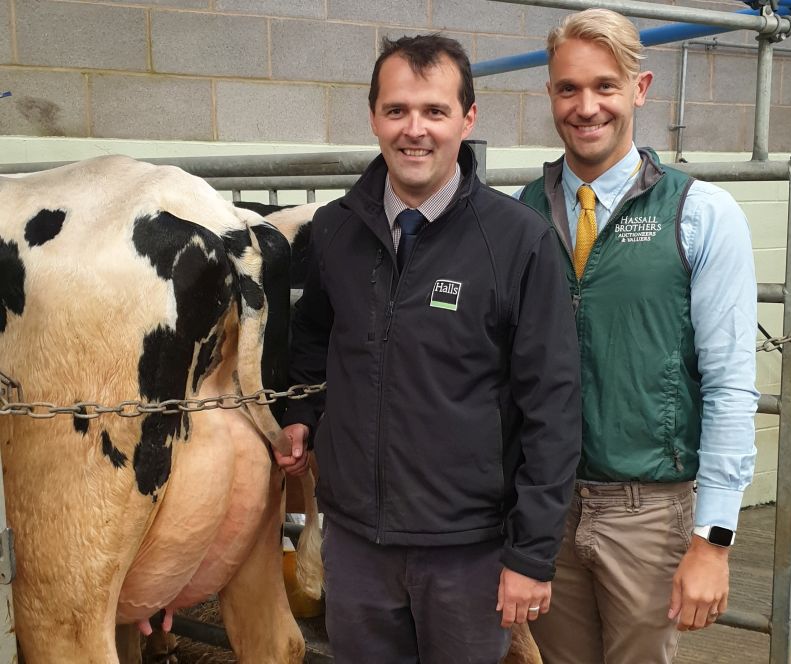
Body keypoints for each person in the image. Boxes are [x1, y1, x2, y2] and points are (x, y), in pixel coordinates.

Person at [275, 33, 581, 664]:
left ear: (467, 119)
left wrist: (530, 556)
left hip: (468, 552)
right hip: (357, 546)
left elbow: (552, 406)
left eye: (435, 111)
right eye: (397, 110)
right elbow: (312, 333)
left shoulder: (519, 242)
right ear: (373, 117)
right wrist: (301, 414)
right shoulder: (335, 229)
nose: (414, 130)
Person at [517, 9, 759, 664]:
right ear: (550, 94)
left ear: (640, 88)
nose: (586, 106)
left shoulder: (702, 214)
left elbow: (732, 385)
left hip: (648, 515)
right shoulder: (521, 213)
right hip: (544, 508)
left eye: (605, 86)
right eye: (569, 88)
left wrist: (712, 539)